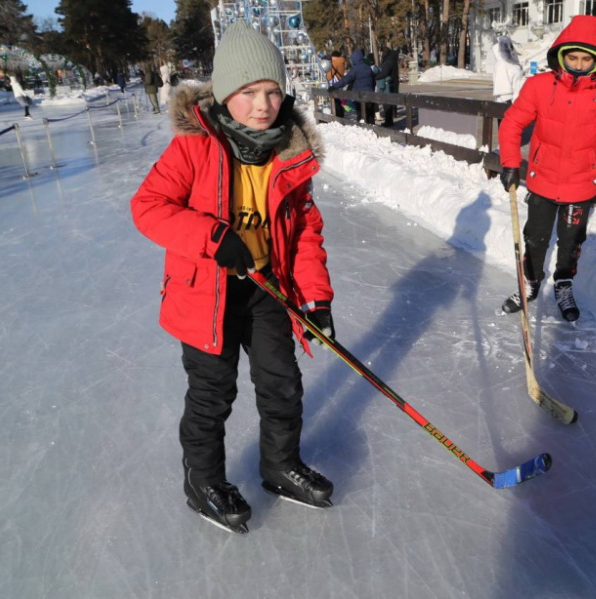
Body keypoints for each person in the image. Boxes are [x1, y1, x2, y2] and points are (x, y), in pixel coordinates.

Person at [131, 20, 336, 533]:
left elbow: (305, 231)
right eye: (248, 93)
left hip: (267, 289)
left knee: (282, 384)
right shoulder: (195, 148)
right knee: (212, 394)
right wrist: (211, 236)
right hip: (206, 293)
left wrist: (316, 298)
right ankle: (203, 481)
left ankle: (279, 466)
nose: (263, 103)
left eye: (271, 91)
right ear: (225, 96)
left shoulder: (289, 152)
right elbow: (148, 207)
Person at [498, 15, 596, 322]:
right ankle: (531, 285)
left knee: (571, 242)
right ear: (561, 55)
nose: (577, 64)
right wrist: (510, 162)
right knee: (535, 238)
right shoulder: (538, 86)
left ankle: (564, 284)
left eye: (585, 58)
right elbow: (511, 124)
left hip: (580, 185)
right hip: (542, 181)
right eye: (572, 57)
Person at [328, 49, 376, 123]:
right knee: (370, 115)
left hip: (359, 96)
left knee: (361, 115)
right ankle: (373, 130)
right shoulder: (368, 67)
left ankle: (363, 130)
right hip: (370, 95)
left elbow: (345, 80)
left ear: (354, 59)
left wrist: (334, 86)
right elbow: (373, 81)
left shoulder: (355, 69)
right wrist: (371, 89)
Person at [375, 46, 400, 127]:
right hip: (393, 82)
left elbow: (384, 73)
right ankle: (391, 117)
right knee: (391, 101)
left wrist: (375, 77)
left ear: (383, 52)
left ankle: (389, 121)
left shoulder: (388, 61)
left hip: (389, 83)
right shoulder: (391, 58)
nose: (380, 54)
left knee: (387, 103)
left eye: (380, 52)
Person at [326, 51, 347, 117]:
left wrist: (327, 76)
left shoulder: (335, 63)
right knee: (341, 100)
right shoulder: (342, 61)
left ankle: (338, 115)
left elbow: (331, 74)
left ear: (334, 57)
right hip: (340, 81)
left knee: (336, 101)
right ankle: (342, 114)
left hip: (335, 83)